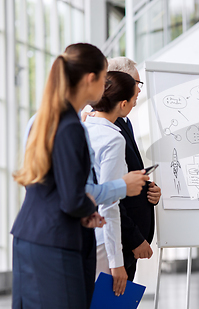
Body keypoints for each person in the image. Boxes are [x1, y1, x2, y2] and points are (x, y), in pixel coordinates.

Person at [11, 43, 107, 309]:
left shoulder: (48, 120)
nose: (104, 86)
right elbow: (73, 199)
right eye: (104, 78)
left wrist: (84, 210)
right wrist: (88, 209)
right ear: (91, 79)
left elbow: (57, 186)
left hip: (30, 237)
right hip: (53, 243)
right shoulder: (70, 127)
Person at [85, 71, 140, 296]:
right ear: (123, 104)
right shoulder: (113, 139)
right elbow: (110, 203)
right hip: (102, 245)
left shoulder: (84, 127)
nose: (134, 105)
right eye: (135, 101)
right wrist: (117, 263)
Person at [107, 57, 162, 281]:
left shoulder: (124, 122)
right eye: (137, 84)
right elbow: (110, 196)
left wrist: (149, 189)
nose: (139, 92)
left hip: (128, 244)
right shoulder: (108, 130)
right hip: (121, 242)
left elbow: (126, 175)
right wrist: (134, 239)